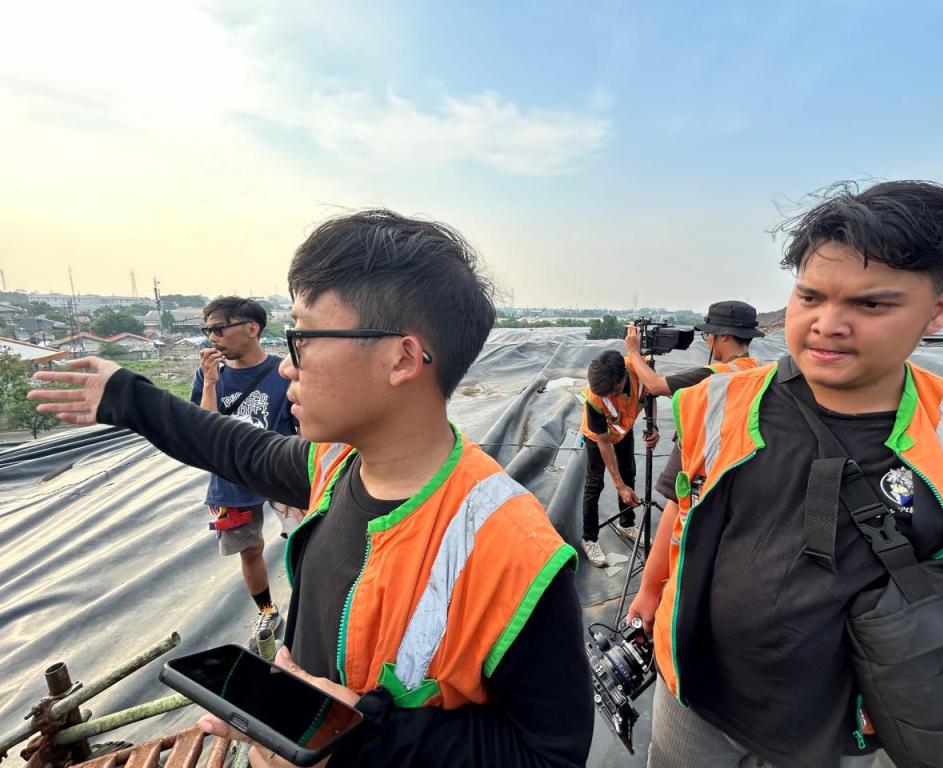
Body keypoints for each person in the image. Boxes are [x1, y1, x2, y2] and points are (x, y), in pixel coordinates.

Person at [30, 210, 593, 768]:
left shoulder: (514, 552)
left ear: (402, 358)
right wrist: (126, 397)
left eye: (301, 338)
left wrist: (357, 744)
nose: (285, 368)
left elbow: (551, 756)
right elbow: (233, 446)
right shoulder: (334, 466)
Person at [636, 181, 943, 768]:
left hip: (848, 734)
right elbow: (680, 504)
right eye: (810, 296)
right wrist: (648, 590)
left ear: (940, 310)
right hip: (694, 704)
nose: (828, 324)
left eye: (871, 305)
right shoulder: (718, 403)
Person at [623, 301, 764, 631]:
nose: (707, 342)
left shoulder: (714, 376)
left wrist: (632, 353)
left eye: (709, 335)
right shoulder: (758, 371)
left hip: (698, 482)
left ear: (723, 336)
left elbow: (655, 386)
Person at [191, 296, 296, 647]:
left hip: (280, 472)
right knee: (249, 549)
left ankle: (310, 603)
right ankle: (266, 609)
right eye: (208, 330)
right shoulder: (209, 375)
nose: (212, 338)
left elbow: (304, 425)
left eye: (219, 329)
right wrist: (209, 383)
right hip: (230, 480)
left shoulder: (284, 372)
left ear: (252, 328)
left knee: (305, 540)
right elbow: (203, 432)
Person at [579, 349, 659, 566]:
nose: (609, 397)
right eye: (604, 394)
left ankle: (627, 524)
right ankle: (589, 538)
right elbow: (603, 441)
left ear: (624, 375)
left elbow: (651, 393)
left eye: (613, 391)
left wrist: (653, 425)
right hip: (598, 436)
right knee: (594, 483)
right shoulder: (595, 398)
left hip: (624, 428)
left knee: (628, 472)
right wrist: (619, 485)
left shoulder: (640, 369)